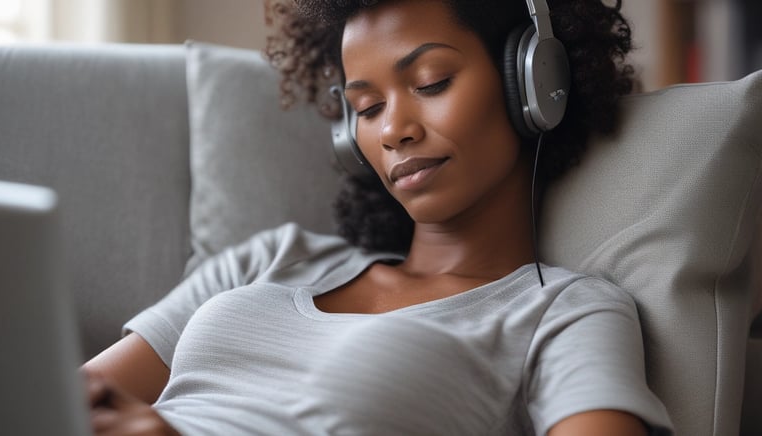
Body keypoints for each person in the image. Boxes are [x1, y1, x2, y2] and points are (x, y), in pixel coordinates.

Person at [82, 0, 674, 435]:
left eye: (431, 82)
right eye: (367, 107)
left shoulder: (562, 312)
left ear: (533, 84)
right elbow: (66, 401)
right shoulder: (271, 259)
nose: (393, 130)